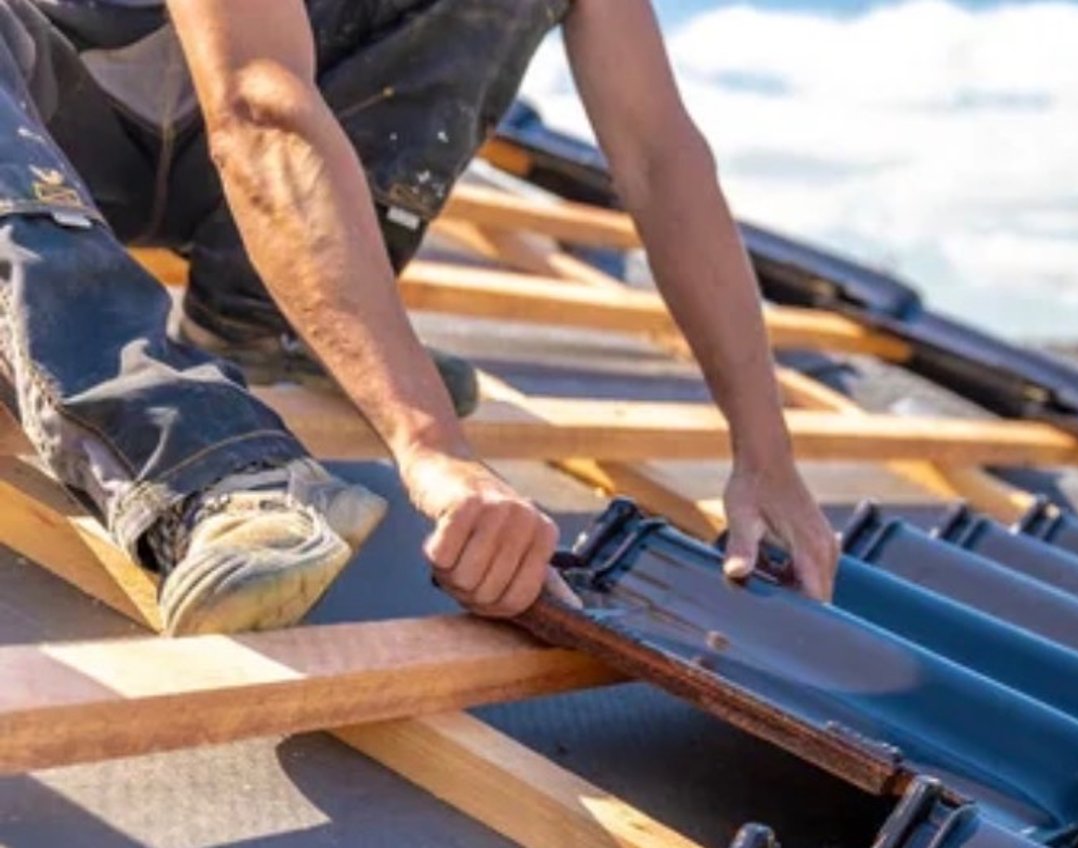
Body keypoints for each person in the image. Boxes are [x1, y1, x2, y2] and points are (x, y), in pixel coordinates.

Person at [0, 0, 840, 634]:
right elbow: (257, 106)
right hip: (53, 122)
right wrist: (431, 445)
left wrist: (765, 451)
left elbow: (662, 158)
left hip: (226, 170)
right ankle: (197, 465)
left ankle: (270, 319)